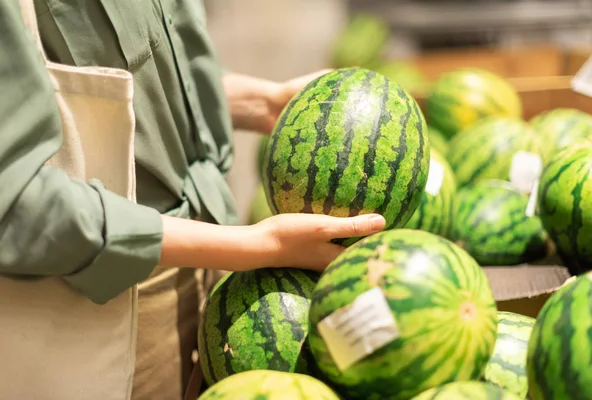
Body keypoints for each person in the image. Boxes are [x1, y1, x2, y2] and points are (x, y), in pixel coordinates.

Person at [0, 1, 386, 399]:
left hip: (205, 269)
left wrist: (266, 101)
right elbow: (13, 203)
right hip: (102, 308)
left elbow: (153, 70)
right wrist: (254, 245)